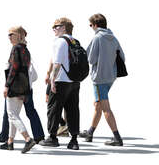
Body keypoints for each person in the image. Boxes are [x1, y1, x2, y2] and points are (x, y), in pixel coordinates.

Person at [81, 13, 125, 146]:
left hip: (99, 78)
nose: (90, 27)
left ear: (95, 25)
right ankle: (90, 132)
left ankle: (117, 138)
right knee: (98, 105)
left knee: (105, 107)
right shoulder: (113, 37)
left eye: (90, 25)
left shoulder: (97, 38)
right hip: (110, 77)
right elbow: (122, 56)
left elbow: (91, 59)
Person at [39, 18, 80, 150]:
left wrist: (52, 80)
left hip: (61, 80)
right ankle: (74, 140)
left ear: (64, 28)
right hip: (74, 81)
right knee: (73, 110)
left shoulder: (60, 41)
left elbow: (57, 63)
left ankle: (52, 137)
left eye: (56, 26)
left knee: (53, 109)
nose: (54, 29)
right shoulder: (74, 41)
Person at [0, 26, 36, 153]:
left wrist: (7, 85)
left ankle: (27, 139)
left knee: (12, 114)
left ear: (19, 35)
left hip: (14, 86)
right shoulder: (26, 49)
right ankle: (10, 141)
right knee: (13, 115)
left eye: (12, 34)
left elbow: (13, 68)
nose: (9, 36)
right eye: (8, 34)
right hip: (24, 86)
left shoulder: (16, 48)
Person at [0, 61, 45, 144]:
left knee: (10, 114)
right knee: (30, 112)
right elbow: (35, 76)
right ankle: (39, 136)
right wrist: (28, 83)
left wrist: (7, 87)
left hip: (14, 90)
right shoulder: (28, 59)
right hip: (27, 90)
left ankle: (5, 136)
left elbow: (9, 75)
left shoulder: (13, 57)